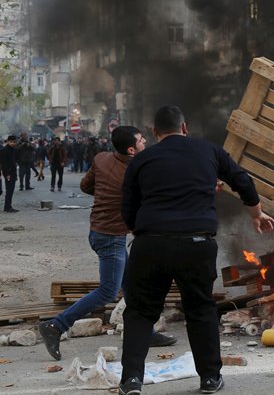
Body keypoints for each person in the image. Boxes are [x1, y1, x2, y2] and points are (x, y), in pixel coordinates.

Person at [118, 105, 274, 395]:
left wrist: (143, 230)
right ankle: (209, 379)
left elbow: (128, 207)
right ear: (185, 127)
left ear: (154, 132)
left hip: (151, 243)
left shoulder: (143, 160)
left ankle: (131, 381)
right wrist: (256, 214)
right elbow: (243, 181)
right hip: (197, 244)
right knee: (201, 310)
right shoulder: (209, 151)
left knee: (140, 312)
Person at [38, 126, 178, 360]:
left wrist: (106, 195)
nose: (146, 142)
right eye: (142, 141)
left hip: (101, 232)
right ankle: (56, 326)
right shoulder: (135, 173)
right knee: (108, 291)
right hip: (111, 237)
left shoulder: (101, 158)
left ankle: (145, 332)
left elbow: (85, 186)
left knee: (132, 287)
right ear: (132, 150)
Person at [0, 136, 19, 213]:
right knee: (9, 190)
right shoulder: (4, 150)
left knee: (11, 190)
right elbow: (4, 164)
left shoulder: (14, 150)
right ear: (7, 141)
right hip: (8, 173)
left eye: (14, 142)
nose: (13, 143)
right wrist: (7, 174)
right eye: (11, 142)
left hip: (13, 172)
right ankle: (7, 207)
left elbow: (14, 162)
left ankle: (8, 206)